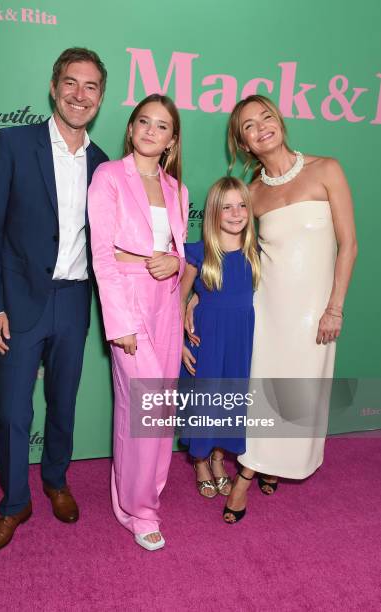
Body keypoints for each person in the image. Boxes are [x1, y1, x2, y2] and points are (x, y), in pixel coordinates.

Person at [188, 94, 357, 523]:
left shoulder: (327, 169)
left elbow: (348, 244)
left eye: (266, 116)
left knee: (297, 393)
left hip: (313, 312)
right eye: (249, 125)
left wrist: (334, 307)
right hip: (265, 311)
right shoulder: (252, 193)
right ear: (244, 143)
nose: (261, 126)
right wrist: (197, 293)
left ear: (279, 121)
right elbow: (232, 252)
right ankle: (256, 466)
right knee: (260, 396)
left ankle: (248, 477)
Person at [0, 48, 108, 554]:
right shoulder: (11, 143)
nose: (79, 94)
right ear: (54, 88)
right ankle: (14, 504)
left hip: (74, 301)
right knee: (12, 412)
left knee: (64, 401)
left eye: (91, 86)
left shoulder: (103, 165)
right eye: (70, 83)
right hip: (19, 301)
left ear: (100, 98)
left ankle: (55, 479)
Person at [88, 94, 189, 551]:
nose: (151, 130)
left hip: (165, 302)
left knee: (161, 409)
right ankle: (138, 511)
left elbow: (178, 251)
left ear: (171, 140)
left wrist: (174, 260)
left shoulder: (178, 190)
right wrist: (118, 322)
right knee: (142, 406)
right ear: (130, 130)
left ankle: (149, 492)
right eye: (143, 122)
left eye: (162, 126)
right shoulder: (108, 176)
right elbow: (104, 256)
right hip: (127, 300)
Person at [179, 177, 259, 501]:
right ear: (213, 212)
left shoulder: (257, 252)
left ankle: (217, 458)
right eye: (227, 206)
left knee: (229, 399)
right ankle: (200, 460)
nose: (236, 212)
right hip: (207, 338)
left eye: (242, 205)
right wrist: (179, 342)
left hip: (240, 339)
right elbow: (178, 299)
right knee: (205, 399)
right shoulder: (199, 254)